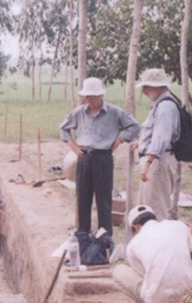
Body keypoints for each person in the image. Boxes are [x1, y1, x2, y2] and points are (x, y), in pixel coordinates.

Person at [60, 77, 140, 235]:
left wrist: (120, 138)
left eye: (92, 96)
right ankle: (83, 235)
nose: (88, 99)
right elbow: (63, 128)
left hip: (103, 158)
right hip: (84, 157)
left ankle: (104, 238)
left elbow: (134, 126)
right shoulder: (79, 113)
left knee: (103, 201)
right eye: (86, 96)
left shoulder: (114, 112)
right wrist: (73, 146)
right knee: (83, 199)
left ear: (100, 96)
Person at [112, 204, 192, 303]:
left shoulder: (132, 245)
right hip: (190, 292)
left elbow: (145, 274)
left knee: (119, 270)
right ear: (155, 218)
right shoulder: (179, 226)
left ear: (135, 226)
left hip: (158, 301)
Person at [130, 68, 181, 222]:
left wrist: (148, 164)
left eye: (147, 86)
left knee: (156, 209)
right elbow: (156, 133)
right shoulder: (159, 105)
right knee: (147, 207)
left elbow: (161, 139)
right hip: (155, 160)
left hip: (158, 162)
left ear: (158, 87)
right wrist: (141, 143)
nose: (144, 91)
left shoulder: (165, 107)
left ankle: (160, 243)